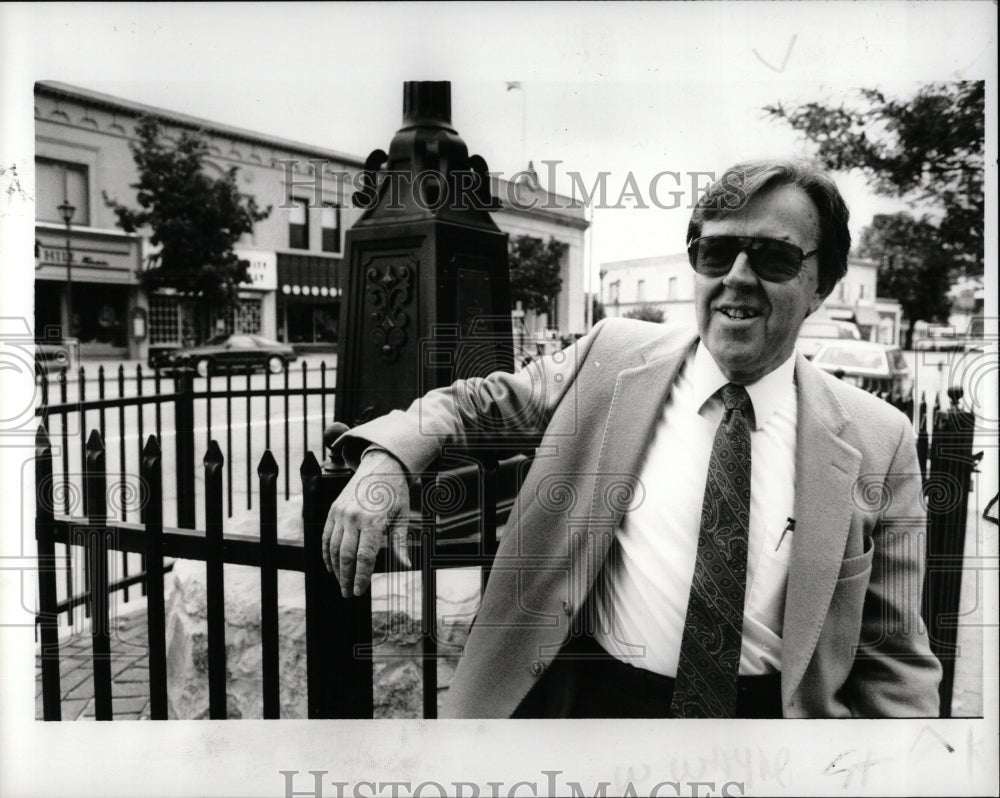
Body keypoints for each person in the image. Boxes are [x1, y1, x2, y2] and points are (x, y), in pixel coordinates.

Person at [322, 160, 942, 719]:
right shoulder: (611, 358)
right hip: (601, 709)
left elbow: (894, 656)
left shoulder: (878, 439)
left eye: (774, 258)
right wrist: (386, 461)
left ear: (821, 285)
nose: (738, 277)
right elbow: (478, 403)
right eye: (715, 253)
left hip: (773, 734)